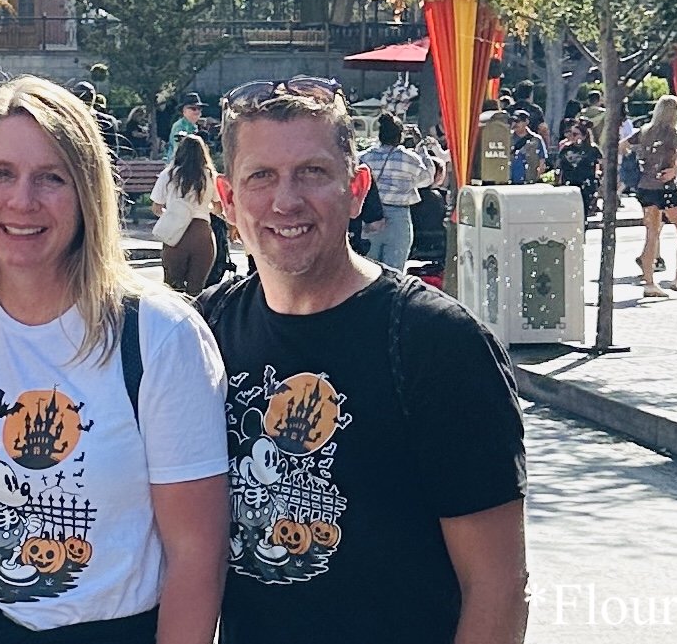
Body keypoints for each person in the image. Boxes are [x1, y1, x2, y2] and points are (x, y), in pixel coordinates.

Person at [0, 76, 228, 644]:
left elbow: (196, 553)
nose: (22, 201)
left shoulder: (158, 335)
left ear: (87, 192)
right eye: (0, 173)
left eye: (51, 177)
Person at [198, 78, 526, 644]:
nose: (286, 201)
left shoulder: (437, 342)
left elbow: (498, 585)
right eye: (261, 176)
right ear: (227, 200)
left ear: (356, 189)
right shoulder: (204, 331)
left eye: (312, 173)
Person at [628, 95, 677, 297]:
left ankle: (649, 283)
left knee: (652, 234)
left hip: (645, 186)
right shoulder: (673, 133)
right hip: (665, 187)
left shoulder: (644, 131)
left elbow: (623, 144)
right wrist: (674, 170)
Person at [150, 132, 222, 295]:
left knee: (172, 290)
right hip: (202, 233)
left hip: (175, 234)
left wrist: (172, 215)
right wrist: (205, 209)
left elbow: (156, 207)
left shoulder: (169, 174)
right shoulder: (210, 176)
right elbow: (218, 208)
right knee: (196, 290)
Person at [357, 114, 429, 273]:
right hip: (399, 217)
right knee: (394, 273)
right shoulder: (409, 159)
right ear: (400, 136)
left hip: (371, 216)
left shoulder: (365, 158)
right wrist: (421, 146)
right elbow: (428, 178)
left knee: (367, 271)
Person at [554, 117, 602, 220]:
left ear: (584, 136)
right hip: (569, 183)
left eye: (575, 134)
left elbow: (601, 164)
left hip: (586, 185)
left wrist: (598, 178)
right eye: (571, 134)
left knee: (583, 212)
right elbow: (559, 166)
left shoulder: (592, 149)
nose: (572, 137)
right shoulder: (566, 148)